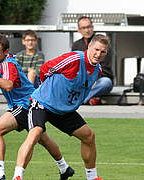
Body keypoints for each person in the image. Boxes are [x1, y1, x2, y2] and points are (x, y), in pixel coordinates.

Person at [0, 34, 74, 180]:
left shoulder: (9, 64)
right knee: (43, 139)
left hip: (25, 104)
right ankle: (65, 168)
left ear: (6, 52)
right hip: (30, 103)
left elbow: (8, 85)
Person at [12, 34, 109, 180]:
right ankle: (17, 176)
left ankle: (92, 177)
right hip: (43, 103)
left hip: (64, 110)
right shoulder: (75, 59)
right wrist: (47, 90)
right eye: (96, 49)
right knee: (35, 134)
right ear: (89, 46)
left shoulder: (97, 70)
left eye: (103, 52)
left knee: (89, 136)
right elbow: (46, 68)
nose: (98, 54)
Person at [0, 30, 45, 106]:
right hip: (20, 78)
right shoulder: (19, 55)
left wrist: (27, 71)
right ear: (23, 41)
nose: (30, 42)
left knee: (32, 73)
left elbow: (39, 70)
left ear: (36, 41)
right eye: (28, 40)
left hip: (32, 81)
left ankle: (30, 96)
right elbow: (16, 68)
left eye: (32, 40)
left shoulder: (39, 55)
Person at [72, 16, 114, 105]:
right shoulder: (76, 45)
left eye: (89, 27)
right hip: (82, 81)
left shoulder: (103, 44)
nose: (87, 30)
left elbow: (105, 69)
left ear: (93, 27)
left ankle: (80, 100)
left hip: (98, 81)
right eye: (84, 28)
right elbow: (75, 67)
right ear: (78, 30)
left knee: (106, 82)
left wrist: (94, 79)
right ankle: (92, 98)